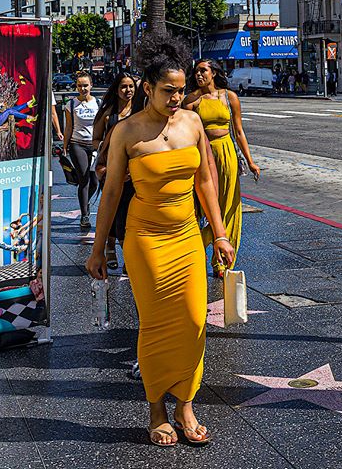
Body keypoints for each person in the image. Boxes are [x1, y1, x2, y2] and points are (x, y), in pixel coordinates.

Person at [86, 34, 235, 447]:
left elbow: (206, 177)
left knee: (193, 320)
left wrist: (219, 234)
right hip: (146, 238)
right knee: (154, 325)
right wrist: (99, 248)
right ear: (148, 87)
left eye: (182, 89)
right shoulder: (126, 132)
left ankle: (186, 403)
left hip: (187, 235)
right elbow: (112, 192)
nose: (177, 97)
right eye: (169, 90)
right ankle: (156, 408)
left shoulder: (191, 122)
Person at [183, 59, 260, 278]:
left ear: (214, 73)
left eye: (203, 71)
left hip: (226, 153)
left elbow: (239, 131)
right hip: (203, 154)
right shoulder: (191, 100)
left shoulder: (229, 97)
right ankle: (197, 250)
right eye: (196, 71)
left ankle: (222, 262)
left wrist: (250, 160)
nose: (199, 75)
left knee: (229, 206)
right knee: (206, 206)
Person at [92, 71, 136, 270]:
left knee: (128, 213)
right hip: (110, 170)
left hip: (134, 171)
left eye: (131, 86)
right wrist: (103, 165)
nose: (128, 90)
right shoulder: (108, 113)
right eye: (123, 87)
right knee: (113, 209)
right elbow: (95, 140)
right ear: (116, 90)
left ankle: (128, 253)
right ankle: (110, 246)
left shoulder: (141, 111)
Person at [63, 71, 99, 229]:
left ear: (91, 85)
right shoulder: (71, 104)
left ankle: (86, 203)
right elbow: (69, 126)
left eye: (85, 85)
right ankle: (85, 215)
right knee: (84, 179)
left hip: (95, 145)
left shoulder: (98, 103)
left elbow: (101, 125)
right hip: (77, 144)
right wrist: (64, 145)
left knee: (95, 182)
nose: (83, 88)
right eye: (79, 85)